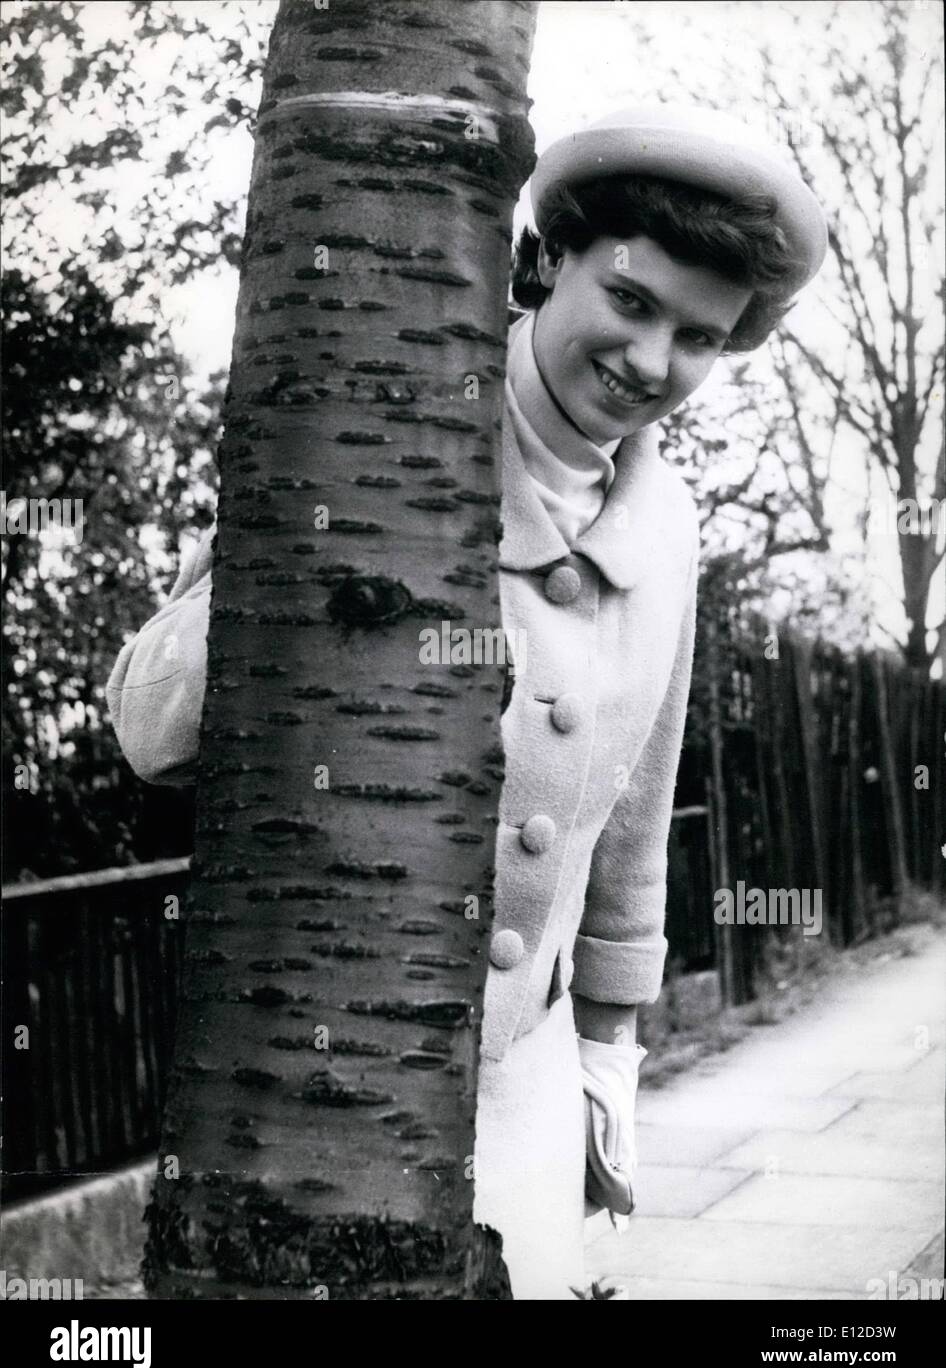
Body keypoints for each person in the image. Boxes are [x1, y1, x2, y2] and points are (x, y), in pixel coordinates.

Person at [106, 105, 827, 1300]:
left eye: (698, 337)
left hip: (529, 1079)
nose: (652, 362)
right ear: (550, 264)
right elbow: (148, 733)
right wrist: (315, 538)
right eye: (632, 300)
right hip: (322, 1085)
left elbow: (636, 818)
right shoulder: (389, 426)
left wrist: (607, 1047)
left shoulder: (670, 527)